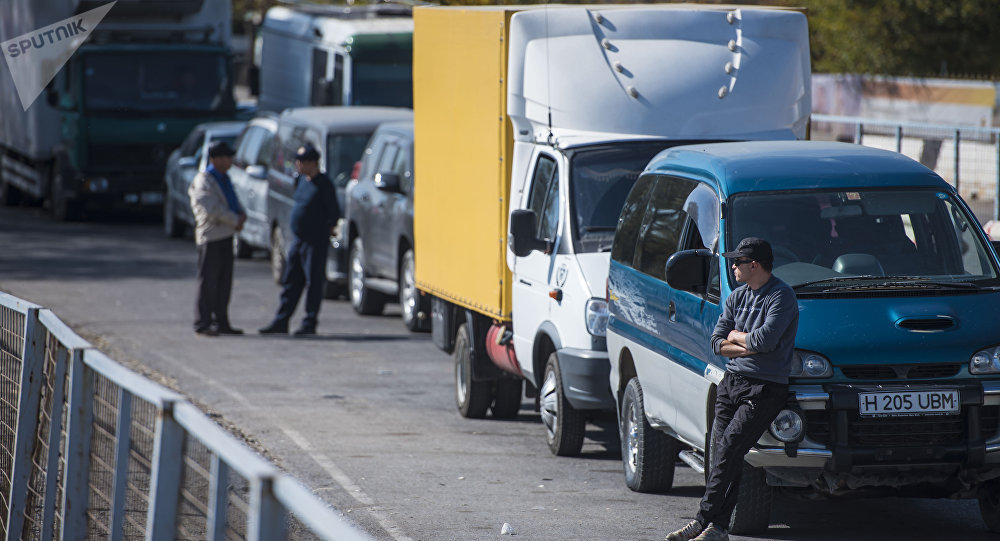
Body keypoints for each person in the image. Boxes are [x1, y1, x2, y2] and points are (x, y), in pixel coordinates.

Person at [665, 237, 799, 541]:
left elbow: (766, 342)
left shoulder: (781, 296)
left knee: (729, 449)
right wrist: (744, 340)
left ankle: (702, 521)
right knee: (720, 453)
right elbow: (716, 343)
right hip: (731, 383)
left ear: (754, 265)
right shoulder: (736, 297)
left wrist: (736, 338)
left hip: (764, 388)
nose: (732, 266)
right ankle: (719, 528)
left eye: (737, 262)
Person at [259, 144, 341, 336]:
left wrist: (325, 229)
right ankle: (281, 321)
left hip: (315, 242)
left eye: (302, 162)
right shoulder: (301, 181)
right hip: (299, 240)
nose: (298, 165)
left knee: (313, 282)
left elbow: (334, 213)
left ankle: (309, 322)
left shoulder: (324, 184)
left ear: (313, 163)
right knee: (291, 281)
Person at [189, 141, 246, 337]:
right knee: (208, 281)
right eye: (225, 157)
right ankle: (202, 322)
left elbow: (232, 200)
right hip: (211, 236)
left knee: (224, 282)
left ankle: (221, 320)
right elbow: (211, 208)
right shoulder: (205, 180)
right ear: (214, 159)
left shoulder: (224, 178)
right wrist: (235, 218)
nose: (229, 161)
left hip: (227, 234)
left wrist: (241, 213)